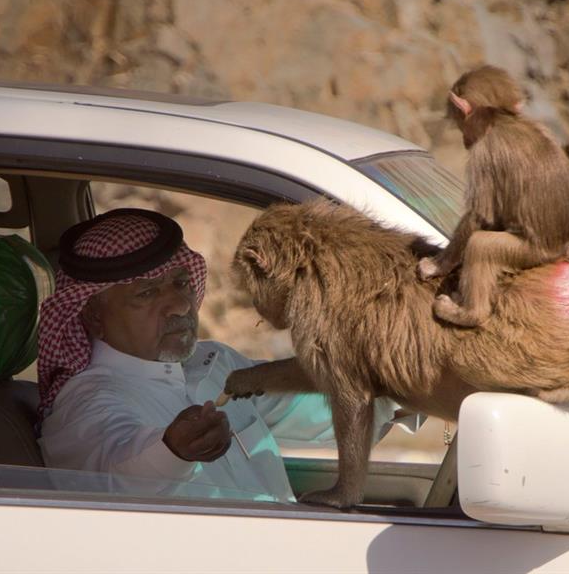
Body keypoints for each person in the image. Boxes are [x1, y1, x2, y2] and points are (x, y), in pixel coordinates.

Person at [37, 207, 398, 502]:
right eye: (147, 294)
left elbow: (320, 406)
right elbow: (118, 472)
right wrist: (173, 451)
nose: (180, 305)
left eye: (180, 284)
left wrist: (408, 379)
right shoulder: (87, 403)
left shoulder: (213, 363)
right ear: (94, 317)